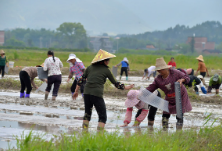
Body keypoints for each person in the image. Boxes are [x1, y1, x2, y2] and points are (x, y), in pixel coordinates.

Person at [73, 49, 134, 131]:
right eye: (108, 60)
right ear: (104, 61)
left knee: (87, 113)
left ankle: (84, 131)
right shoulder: (106, 70)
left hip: (87, 93)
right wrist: (127, 87)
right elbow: (116, 83)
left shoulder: (90, 67)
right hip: (96, 94)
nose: (108, 62)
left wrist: (76, 91)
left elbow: (81, 80)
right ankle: (100, 135)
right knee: (102, 116)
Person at [146, 57, 192, 130]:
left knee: (179, 115)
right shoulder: (158, 79)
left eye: (160, 70)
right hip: (169, 97)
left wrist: (182, 80)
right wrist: (142, 93)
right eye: (158, 71)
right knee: (165, 115)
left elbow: (186, 77)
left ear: (165, 69)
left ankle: (178, 131)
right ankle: (165, 131)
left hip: (180, 96)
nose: (159, 72)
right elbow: (151, 87)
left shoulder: (175, 73)